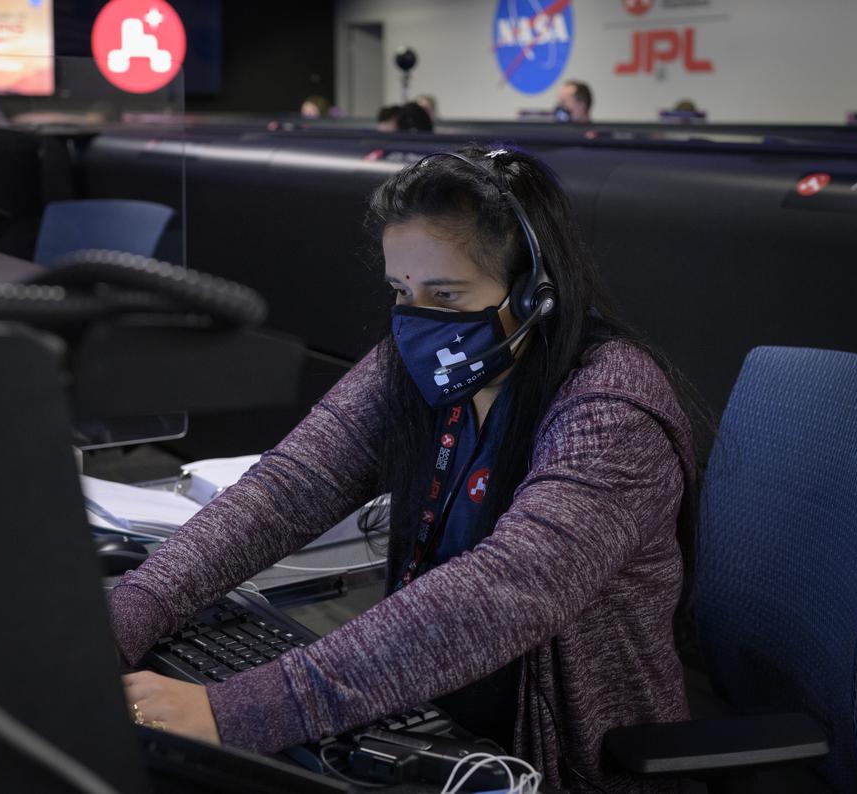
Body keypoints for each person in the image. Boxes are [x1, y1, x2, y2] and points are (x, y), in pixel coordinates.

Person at [111, 146, 702, 792]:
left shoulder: (612, 408)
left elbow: (500, 594)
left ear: (535, 293)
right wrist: (131, 613)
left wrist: (234, 712)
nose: (419, 324)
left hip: (561, 768)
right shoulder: (413, 368)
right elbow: (287, 489)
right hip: (423, 721)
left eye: (446, 296)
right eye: (402, 292)